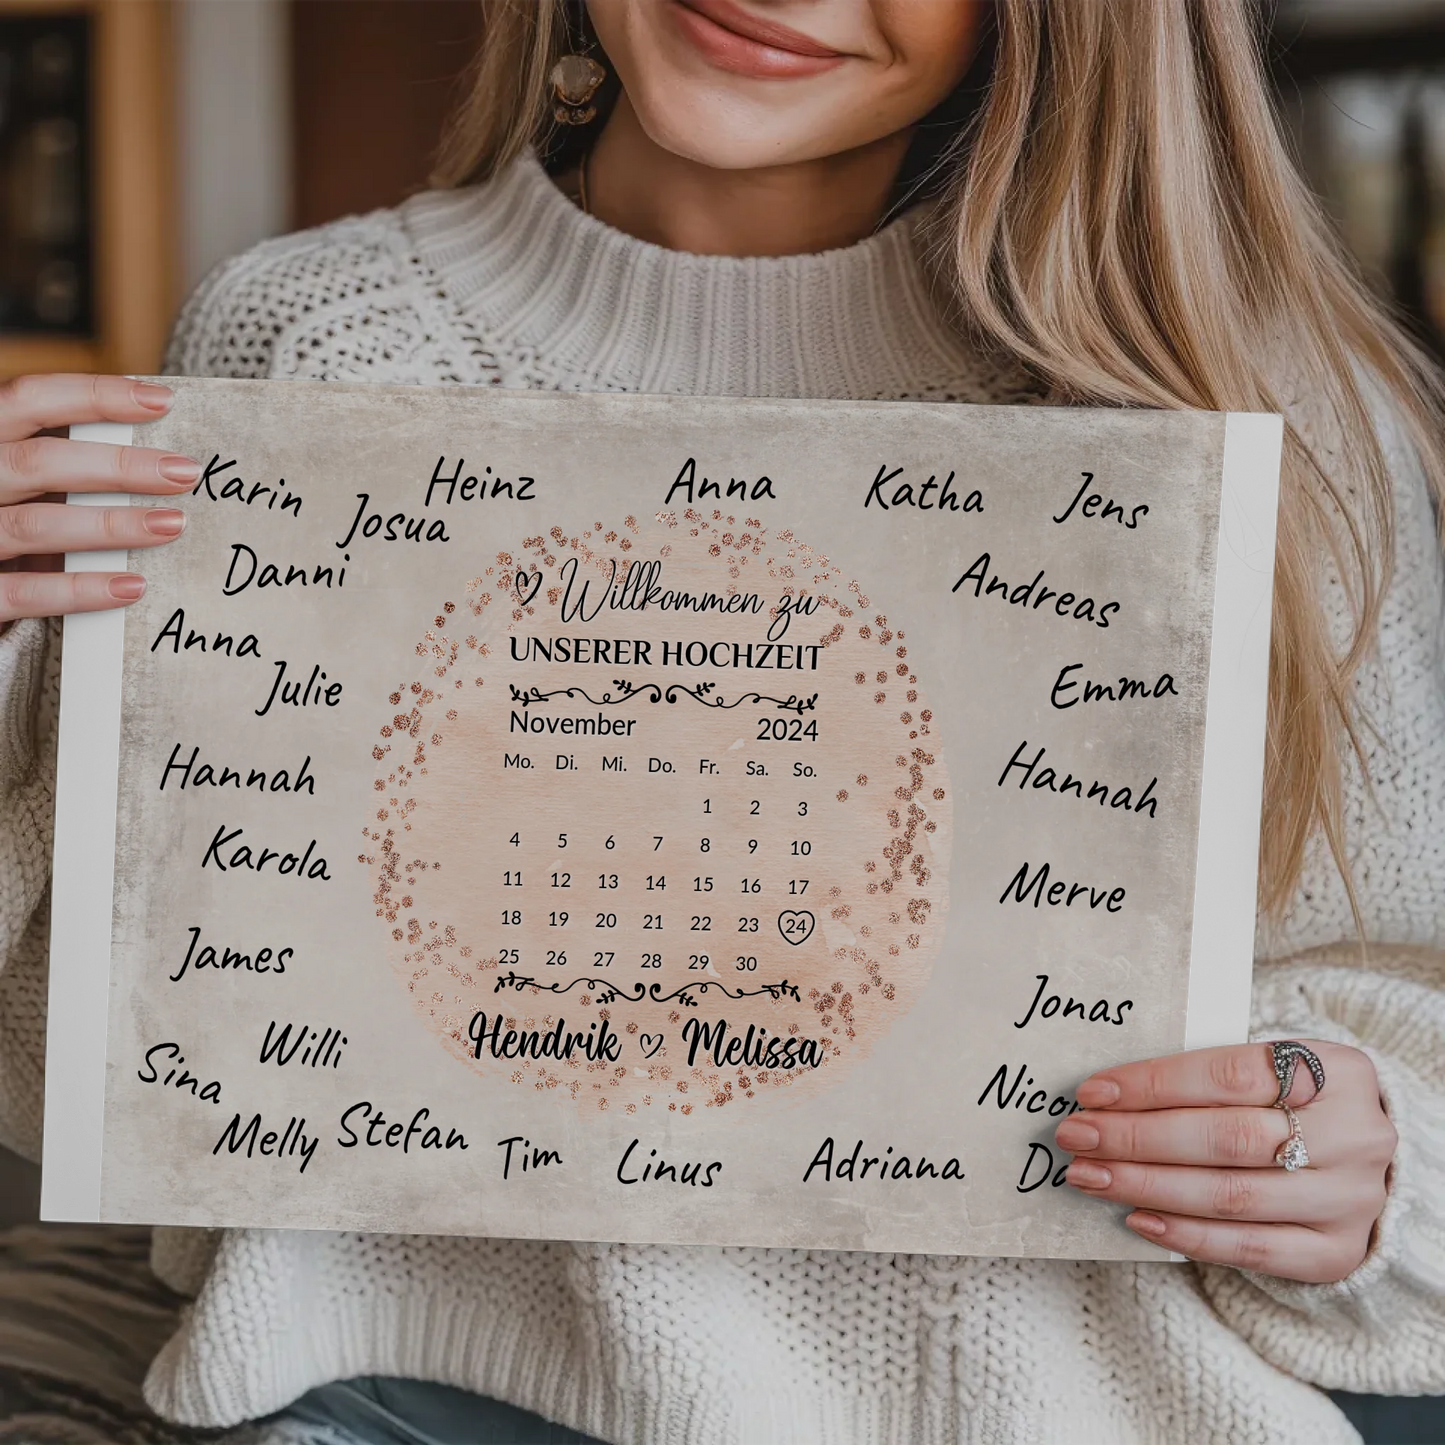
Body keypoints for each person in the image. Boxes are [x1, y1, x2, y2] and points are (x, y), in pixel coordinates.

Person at [1, 2, 1442, 1442]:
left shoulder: (1257, 399)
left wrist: (1370, 1173)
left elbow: (1405, 1027)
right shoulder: (295, 339)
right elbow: (81, 1060)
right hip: (398, 1400)